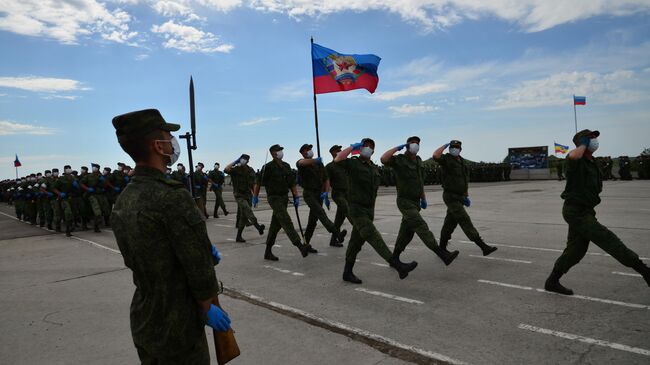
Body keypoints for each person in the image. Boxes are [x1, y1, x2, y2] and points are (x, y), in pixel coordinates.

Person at [110, 108, 231, 364]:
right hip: (179, 325)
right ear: (158, 145)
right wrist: (208, 305)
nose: (172, 142)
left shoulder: (124, 199)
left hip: (146, 317)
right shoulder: (172, 196)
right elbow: (198, 267)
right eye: (168, 136)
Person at [544, 130, 650, 295]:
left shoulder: (592, 162)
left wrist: (586, 143)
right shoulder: (575, 161)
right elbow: (573, 157)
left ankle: (552, 281)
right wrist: (582, 143)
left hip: (586, 210)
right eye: (591, 138)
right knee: (607, 239)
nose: (595, 141)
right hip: (575, 211)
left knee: (576, 250)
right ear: (583, 142)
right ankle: (645, 272)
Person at [335, 138, 418, 284]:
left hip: (369, 210)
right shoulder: (353, 163)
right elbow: (338, 159)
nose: (367, 148)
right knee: (374, 236)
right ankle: (397, 265)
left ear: (373, 150)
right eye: (364, 146)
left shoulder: (373, 167)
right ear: (360, 149)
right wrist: (351, 147)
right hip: (357, 209)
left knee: (356, 243)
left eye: (370, 146)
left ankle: (347, 272)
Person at [380, 136, 459, 267]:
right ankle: (441, 253)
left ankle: (394, 258)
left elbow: (420, 181)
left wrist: (423, 198)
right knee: (420, 226)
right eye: (412, 143)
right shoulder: (399, 160)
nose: (415, 145)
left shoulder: (418, 160)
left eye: (417, 143)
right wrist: (396, 148)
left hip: (416, 202)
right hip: (404, 201)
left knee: (406, 233)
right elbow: (383, 159)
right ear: (407, 145)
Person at [432, 140, 497, 256]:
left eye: (457, 147)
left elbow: (464, 179)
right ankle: (483, 247)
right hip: (450, 196)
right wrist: (445, 145)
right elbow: (435, 156)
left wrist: (466, 194)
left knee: (449, 223)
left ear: (460, 149)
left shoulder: (461, 161)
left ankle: (442, 248)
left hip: (460, 196)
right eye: (452, 147)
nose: (454, 149)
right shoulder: (446, 159)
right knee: (464, 219)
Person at [253, 144, 312, 261]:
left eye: (281, 150)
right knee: (285, 220)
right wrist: (255, 196)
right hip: (274, 198)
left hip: (284, 198)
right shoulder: (268, 167)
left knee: (276, 225)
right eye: (279, 150)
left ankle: (267, 252)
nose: (281, 152)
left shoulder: (286, 166)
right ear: (273, 153)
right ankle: (300, 246)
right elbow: (258, 182)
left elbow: (292, 183)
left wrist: (296, 196)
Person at [296, 143, 347, 248]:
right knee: (320, 213)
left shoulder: (319, 164)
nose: (309, 150)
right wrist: (316, 160)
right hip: (309, 193)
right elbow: (301, 163)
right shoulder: (303, 163)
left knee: (312, 222)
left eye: (310, 149)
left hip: (318, 194)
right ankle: (337, 233)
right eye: (307, 149)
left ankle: (305, 244)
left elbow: (326, 179)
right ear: (302, 152)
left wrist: (325, 192)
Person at [224, 154, 264, 242]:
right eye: (242, 158)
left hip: (248, 195)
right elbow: (226, 169)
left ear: (248, 161)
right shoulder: (236, 169)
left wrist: (255, 196)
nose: (243, 160)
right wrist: (235, 162)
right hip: (239, 195)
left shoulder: (250, 170)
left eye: (245, 159)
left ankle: (238, 236)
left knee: (243, 217)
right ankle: (258, 226)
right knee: (247, 209)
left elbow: (253, 184)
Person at [326, 145, 351, 247]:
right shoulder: (329, 167)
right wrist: (325, 194)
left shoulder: (345, 164)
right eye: (338, 150)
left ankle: (333, 240)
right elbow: (326, 181)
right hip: (338, 194)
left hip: (347, 194)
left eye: (341, 150)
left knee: (339, 219)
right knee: (348, 210)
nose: (340, 151)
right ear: (333, 153)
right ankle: (361, 231)